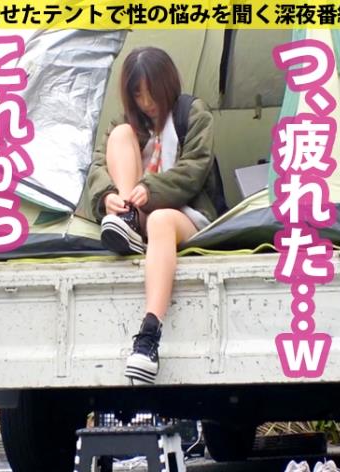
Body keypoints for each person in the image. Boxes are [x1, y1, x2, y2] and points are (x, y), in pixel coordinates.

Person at [83, 47, 220, 384]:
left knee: (160, 221)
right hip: (139, 214)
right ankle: (126, 219)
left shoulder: (193, 113)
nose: (146, 102)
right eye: (137, 94)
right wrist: (108, 197)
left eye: (151, 92)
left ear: (166, 83)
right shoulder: (127, 124)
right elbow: (98, 166)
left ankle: (148, 338)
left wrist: (151, 188)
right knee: (120, 135)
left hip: (185, 215)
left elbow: (195, 169)